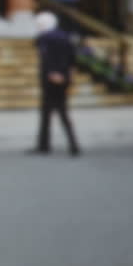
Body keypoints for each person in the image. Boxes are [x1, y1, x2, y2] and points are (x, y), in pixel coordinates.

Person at [28, 11, 81, 157]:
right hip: (64, 78)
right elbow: (72, 58)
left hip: (52, 79)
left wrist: (53, 73)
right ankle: (51, 144)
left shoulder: (46, 38)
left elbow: (47, 57)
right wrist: (68, 75)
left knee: (55, 112)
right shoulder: (65, 37)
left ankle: (61, 145)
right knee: (53, 112)